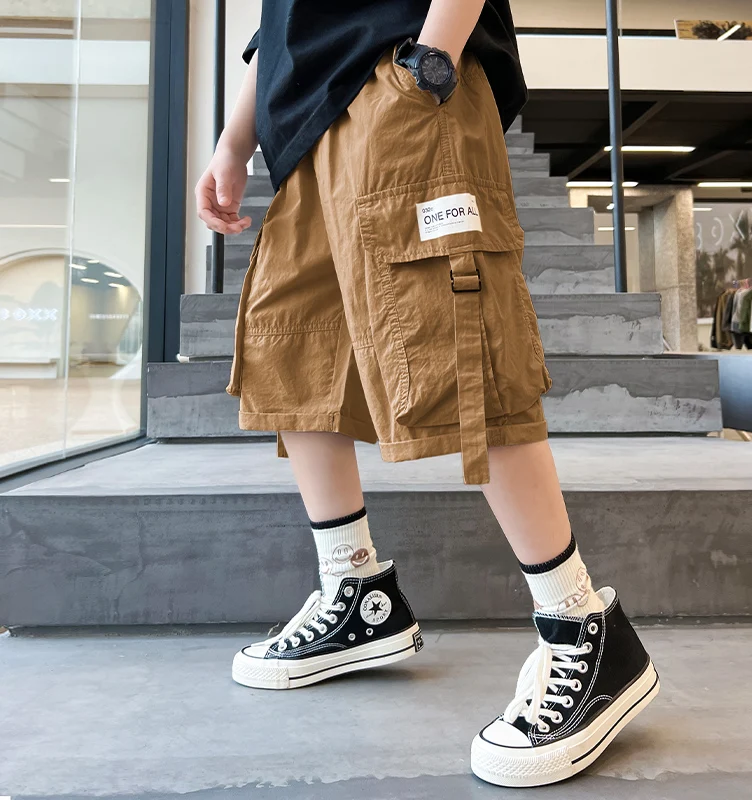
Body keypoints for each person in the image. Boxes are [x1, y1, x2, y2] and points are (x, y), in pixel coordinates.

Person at [195, 0, 659, 787]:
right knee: (295, 352)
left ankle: (583, 625)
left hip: (401, 82)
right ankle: (356, 594)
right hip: (300, 125)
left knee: (462, 346)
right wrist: (235, 140)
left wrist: (429, 62)